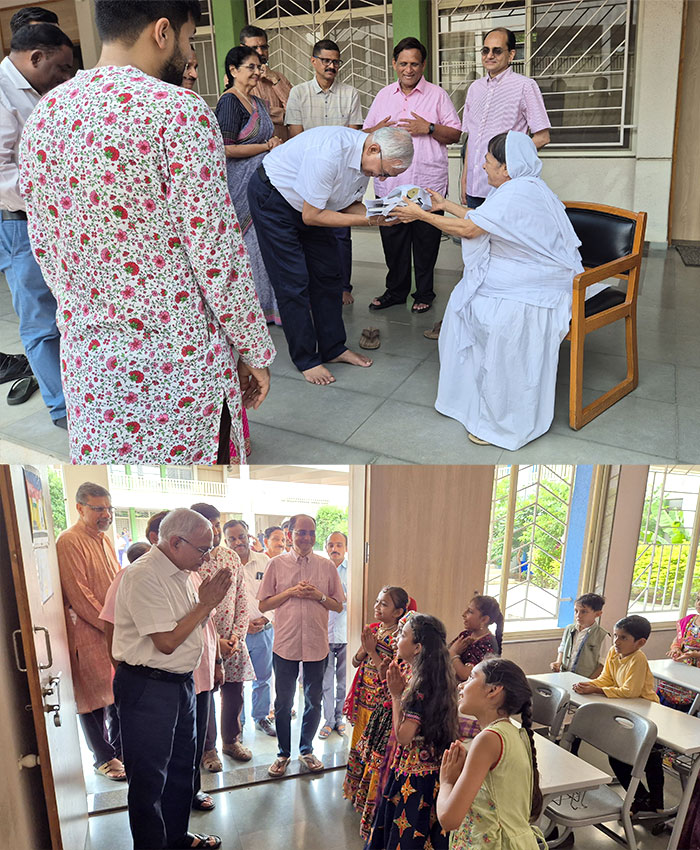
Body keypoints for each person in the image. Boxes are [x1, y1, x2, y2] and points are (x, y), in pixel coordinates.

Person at [19, 0, 274, 464]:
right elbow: (216, 253)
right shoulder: (177, 111)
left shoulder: (46, 115)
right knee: (193, 480)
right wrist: (255, 348)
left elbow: (44, 245)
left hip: (92, 360)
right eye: (189, 38)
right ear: (163, 32)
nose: (187, 50)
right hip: (176, 360)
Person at [392, 130, 601, 451]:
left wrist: (419, 215)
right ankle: (471, 396)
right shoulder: (521, 187)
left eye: (488, 160)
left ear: (506, 167)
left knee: (497, 318)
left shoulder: (518, 193)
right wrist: (445, 204)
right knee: (465, 300)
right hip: (528, 277)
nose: (482, 165)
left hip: (541, 286)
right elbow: (485, 219)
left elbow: (471, 228)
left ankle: (504, 416)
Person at [248, 124, 413, 385]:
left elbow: (348, 204)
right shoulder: (329, 153)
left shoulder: (365, 159)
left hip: (314, 205)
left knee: (328, 274)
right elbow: (311, 216)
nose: (380, 179)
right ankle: (306, 359)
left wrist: (381, 214)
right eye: (382, 172)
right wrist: (372, 222)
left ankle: (334, 348)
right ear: (373, 148)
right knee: (293, 280)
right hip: (275, 198)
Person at [112, 507, 231, 850]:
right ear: (176, 542)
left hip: (180, 683)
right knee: (149, 779)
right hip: (148, 686)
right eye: (202, 549)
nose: (207, 556)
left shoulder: (181, 571)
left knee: (182, 768)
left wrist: (205, 605)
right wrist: (206, 604)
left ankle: (176, 838)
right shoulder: (143, 575)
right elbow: (165, 642)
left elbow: (188, 629)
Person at [0, 23, 72, 426]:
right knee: (41, 318)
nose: (65, 78)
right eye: (60, 68)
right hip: (19, 220)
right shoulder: (2, 91)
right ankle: (63, 408)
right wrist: (51, 199)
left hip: (49, 217)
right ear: (36, 58)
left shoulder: (39, 90)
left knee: (67, 309)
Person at [365, 37, 461, 315]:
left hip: (427, 183)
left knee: (426, 242)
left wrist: (428, 127)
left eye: (415, 64)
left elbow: (455, 134)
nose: (409, 69)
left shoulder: (437, 95)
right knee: (392, 242)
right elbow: (363, 138)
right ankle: (395, 291)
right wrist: (375, 130)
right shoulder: (383, 96)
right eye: (403, 63)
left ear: (424, 65)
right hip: (390, 184)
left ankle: (424, 293)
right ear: (394, 64)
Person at [258, 513, 345, 777]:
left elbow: (338, 605)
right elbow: (263, 604)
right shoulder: (276, 564)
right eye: (300, 532)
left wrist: (317, 595)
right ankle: (283, 753)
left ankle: (307, 749)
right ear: (289, 534)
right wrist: (291, 592)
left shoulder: (326, 566)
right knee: (283, 702)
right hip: (285, 644)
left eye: (310, 533)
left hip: (317, 644)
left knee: (313, 700)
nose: (306, 537)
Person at [366, 613, 458, 849]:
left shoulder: (422, 684)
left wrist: (396, 694)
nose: (397, 639)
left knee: (408, 835)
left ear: (417, 647)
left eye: (403, 635)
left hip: (415, 776)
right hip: (426, 768)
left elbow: (404, 736)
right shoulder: (427, 674)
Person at [286, 39, 364, 306]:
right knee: (308, 229)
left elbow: (352, 136)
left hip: (341, 174)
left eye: (336, 61)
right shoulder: (298, 93)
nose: (332, 66)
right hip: (306, 175)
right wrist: (318, 166)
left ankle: (343, 286)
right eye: (326, 61)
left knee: (342, 233)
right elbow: (295, 136)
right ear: (314, 61)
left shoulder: (350, 93)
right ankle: (312, 285)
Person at [437, 658, 544, 849]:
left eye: (471, 678)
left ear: (493, 691)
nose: (461, 685)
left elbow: (448, 819)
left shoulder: (488, 740)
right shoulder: (511, 732)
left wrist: (447, 781)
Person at [55, 482, 124, 781]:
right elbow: (79, 594)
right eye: (98, 509)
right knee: (91, 698)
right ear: (80, 508)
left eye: (108, 508)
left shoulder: (104, 539)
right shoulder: (69, 541)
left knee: (116, 694)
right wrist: (109, 623)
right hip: (88, 628)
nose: (105, 515)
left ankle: (118, 750)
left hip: (113, 628)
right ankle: (103, 757)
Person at [215, 46, 282, 326]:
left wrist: (273, 145)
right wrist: (265, 146)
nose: (257, 72)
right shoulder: (230, 103)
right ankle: (255, 310)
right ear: (233, 71)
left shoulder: (257, 102)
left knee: (268, 242)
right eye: (251, 67)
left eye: (259, 66)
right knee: (251, 246)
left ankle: (271, 306)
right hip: (241, 186)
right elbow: (225, 149)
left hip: (264, 183)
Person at [573, 614, 665, 814]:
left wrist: (596, 690)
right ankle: (642, 798)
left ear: (640, 642)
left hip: (648, 714)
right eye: (615, 635)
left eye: (623, 638)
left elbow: (629, 691)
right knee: (619, 759)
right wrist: (588, 685)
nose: (616, 641)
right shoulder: (615, 654)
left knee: (651, 760)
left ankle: (656, 802)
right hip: (629, 713)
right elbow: (606, 678)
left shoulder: (638, 658)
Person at [190, 504, 253, 770]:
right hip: (203, 642)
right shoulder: (189, 561)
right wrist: (215, 642)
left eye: (217, 524)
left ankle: (231, 741)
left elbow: (241, 598)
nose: (214, 530)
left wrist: (236, 637)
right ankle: (208, 749)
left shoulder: (231, 557)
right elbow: (191, 607)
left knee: (234, 692)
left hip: (232, 641)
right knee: (204, 694)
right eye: (208, 524)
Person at [461, 27, 550, 209]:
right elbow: (472, 140)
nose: (490, 55)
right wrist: (464, 179)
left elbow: (543, 137)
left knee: (502, 238)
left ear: (511, 55)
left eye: (497, 50)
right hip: (474, 189)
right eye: (485, 50)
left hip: (506, 188)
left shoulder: (525, 86)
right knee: (473, 236)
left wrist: (508, 160)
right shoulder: (474, 89)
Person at [343, 586, 409, 800]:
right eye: (377, 601)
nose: (377, 607)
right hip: (364, 697)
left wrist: (372, 650)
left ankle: (366, 796)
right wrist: (365, 649)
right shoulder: (373, 629)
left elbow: (389, 677)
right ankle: (353, 790)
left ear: (398, 612)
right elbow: (354, 662)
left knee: (371, 747)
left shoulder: (399, 639)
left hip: (381, 704)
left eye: (384, 604)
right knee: (357, 743)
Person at [223, 518, 276, 737]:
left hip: (263, 630)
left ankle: (261, 717)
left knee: (263, 678)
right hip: (236, 635)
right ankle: (237, 723)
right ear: (226, 542)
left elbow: (275, 594)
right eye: (232, 539)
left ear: (249, 536)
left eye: (241, 536)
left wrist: (266, 618)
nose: (238, 542)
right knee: (235, 681)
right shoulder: (225, 565)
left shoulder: (265, 561)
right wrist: (242, 628)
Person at [319, 531, 349, 738]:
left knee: (344, 681)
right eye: (331, 544)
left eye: (339, 545)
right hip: (324, 635)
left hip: (347, 633)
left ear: (346, 548)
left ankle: (341, 718)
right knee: (325, 682)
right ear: (326, 547)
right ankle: (328, 720)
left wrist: (334, 600)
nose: (334, 549)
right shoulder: (320, 570)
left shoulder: (354, 572)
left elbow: (348, 600)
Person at [240, 24, 292, 142]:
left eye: (264, 47)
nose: (260, 52)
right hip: (254, 152)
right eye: (254, 48)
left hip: (282, 150)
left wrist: (275, 80)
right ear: (242, 48)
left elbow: (294, 111)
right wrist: (283, 116)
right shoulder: (236, 78)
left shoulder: (279, 77)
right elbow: (249, 112)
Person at [551, 592, 612, 679]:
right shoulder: (569, 629)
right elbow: (563, 647)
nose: (578, 615)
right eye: (576, 611)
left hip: (585, 681)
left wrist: (589, 682)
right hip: (564, 676)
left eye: (584, 612)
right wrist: (558, 662)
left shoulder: (603, 636)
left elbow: (604, 664)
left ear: (598, 614)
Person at [657, 590, 700, 710]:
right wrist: (676, 649)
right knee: (667, 692)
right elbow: (677, 640)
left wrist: (695, 655)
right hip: (682, 665)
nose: (699, 603)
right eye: (698, 599)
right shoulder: (689, 620)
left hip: (697, 671)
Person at [448, 595, 503, 682]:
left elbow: (466, 675)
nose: (463, 614)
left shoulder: (487, 643)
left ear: (484, 619)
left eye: (470, 611)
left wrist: (453, 653)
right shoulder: (466, 634)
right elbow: (445, 652)